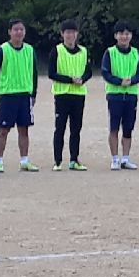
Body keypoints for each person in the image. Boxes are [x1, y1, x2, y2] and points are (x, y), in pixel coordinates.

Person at [0, 18, 39, 173]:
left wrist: (34, 93)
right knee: (4, 129)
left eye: (21, 29)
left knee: (24, 129)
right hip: (8, 95)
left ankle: (24, 160)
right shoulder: (2, 50)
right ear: (10, 32)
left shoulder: (30, 50)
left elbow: (34, 73)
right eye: (16, 29)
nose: (19, 32)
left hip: (25, 95)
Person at [48, 20, 93, 171]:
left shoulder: (84, 51)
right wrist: (70, 80)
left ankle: (74, 159)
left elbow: (89, 71)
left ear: (76, 34)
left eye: (73, 32)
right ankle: (58, 161)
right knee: (60, 128)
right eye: (67, 32)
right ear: (62, 34)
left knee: (76, 129)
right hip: (62, 94)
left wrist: (82, 79)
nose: (70, 35)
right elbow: (51, 73)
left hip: (79, 94)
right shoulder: (57, 50)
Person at [101, 21, 139, 170]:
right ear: (116, 36)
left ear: (131, 36)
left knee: (128, 128)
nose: (124, 36)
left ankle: (125, 158)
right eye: (121, 33)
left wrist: (131, 81)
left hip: (131, 95)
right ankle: (114, 159)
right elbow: (105, 72)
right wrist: (120, 82)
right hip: (115, 95)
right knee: (114, 128)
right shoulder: (110, 52)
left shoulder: (137, 53)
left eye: (127, 33)